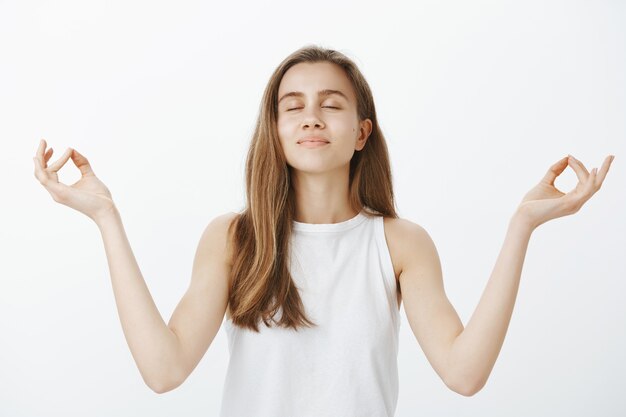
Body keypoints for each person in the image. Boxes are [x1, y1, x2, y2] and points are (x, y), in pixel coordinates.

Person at [32, 45, 615, 417]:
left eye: (330, 104)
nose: (311, 116)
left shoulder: (399, 242)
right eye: (294, 106)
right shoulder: (235, 238)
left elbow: (464, 374)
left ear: (361, 133)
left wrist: (522, 226)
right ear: (278, 130)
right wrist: (107, 218)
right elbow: (164, 371)